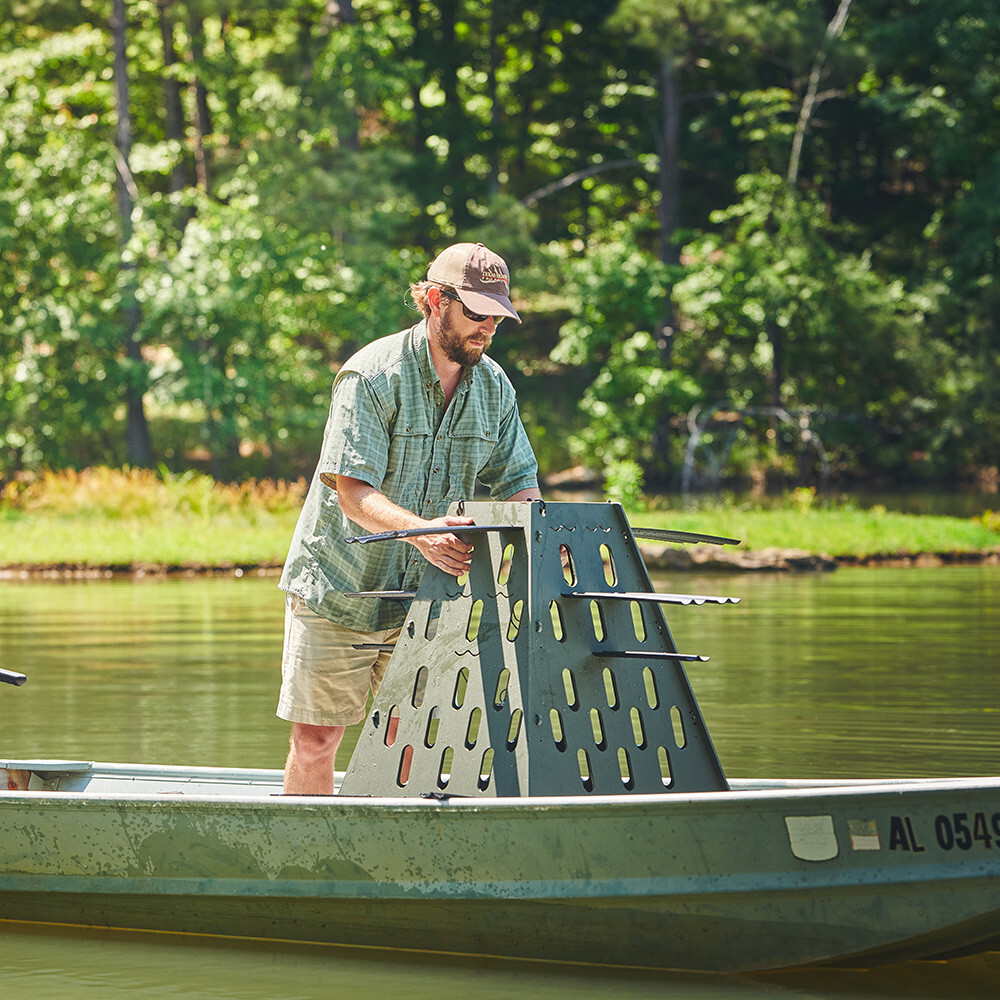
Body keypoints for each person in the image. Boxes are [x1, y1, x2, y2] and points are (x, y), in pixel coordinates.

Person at [277, 242, 542, 794]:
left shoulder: (494, 387)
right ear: (434, 301)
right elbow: (352, 494)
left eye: (498, 315)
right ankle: (305, 865)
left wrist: (548, 535)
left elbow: (519, 485)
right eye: (476, 312)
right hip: (337, 591)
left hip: (422, 599)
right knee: (317, 741)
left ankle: (392, 870)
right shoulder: (371, 376)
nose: (489, 328)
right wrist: (424, 533)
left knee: (407, 742)